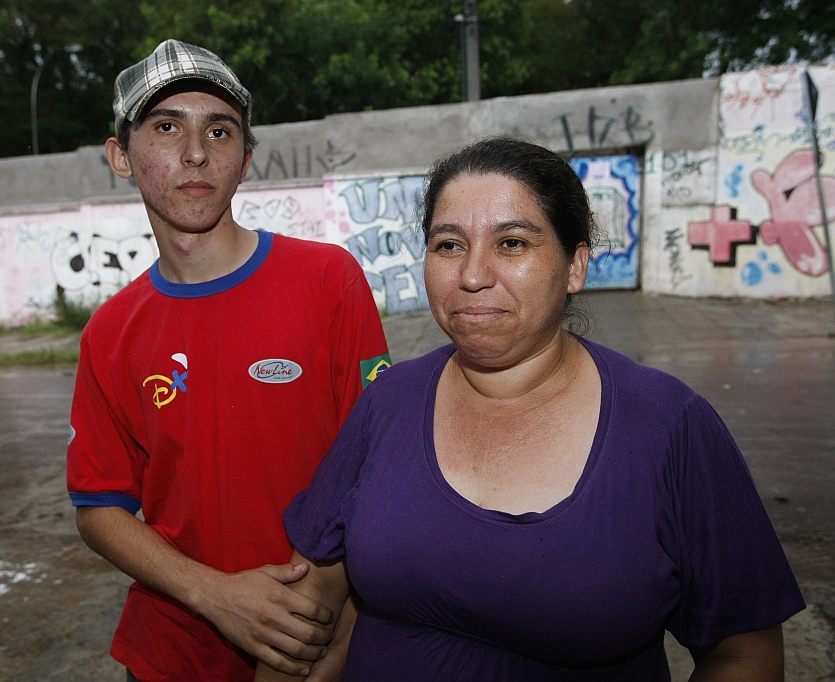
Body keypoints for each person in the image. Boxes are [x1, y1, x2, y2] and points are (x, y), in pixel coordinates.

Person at [258, 137, 805, 681]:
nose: (473, 275)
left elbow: (744, 653)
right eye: (448, 245)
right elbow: (311, 598)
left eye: (513, 243)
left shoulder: (670, 426)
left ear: (575, 266)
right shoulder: (388, 401)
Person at [66, 39, 390, 682]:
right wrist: (215, 595)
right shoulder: (110, 331)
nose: (195, 153)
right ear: (120, 156)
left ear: (246, 159)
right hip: (172, 652)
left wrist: (341, 619)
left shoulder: (328, 279)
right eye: (166, 127)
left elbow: (379, 461)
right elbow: (99, 507)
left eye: (219, 130)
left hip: (316, 637)